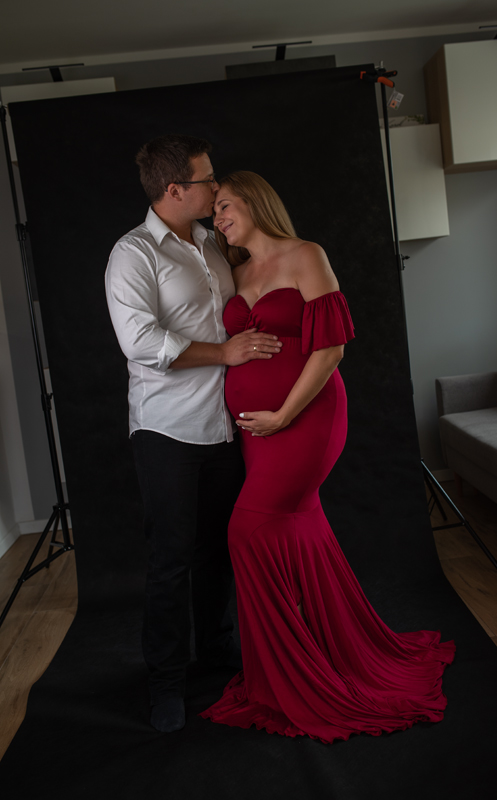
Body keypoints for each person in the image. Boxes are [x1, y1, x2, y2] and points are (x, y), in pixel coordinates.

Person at [200, 171, 456, 743]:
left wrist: (283, 414)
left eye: (225, 206)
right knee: (298, 527)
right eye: (214, 212)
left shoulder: (305, 255)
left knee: (248, 531)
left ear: (255, 201)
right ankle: (334, 650)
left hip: (305, 418)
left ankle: (290, 679)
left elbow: (331, 347)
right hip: (255, 432)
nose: (218, 219)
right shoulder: (234, 273)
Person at [105, 137, 283, 734]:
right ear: (175, 189)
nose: (216, 187)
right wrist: (225, 353)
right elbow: (140, 343)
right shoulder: (132, 254)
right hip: (167, 430)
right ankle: (166, 682)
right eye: (207, 180)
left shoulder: (213, 243)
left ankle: (216, 650)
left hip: (225, 428)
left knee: (218, 551)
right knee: (171, 560)